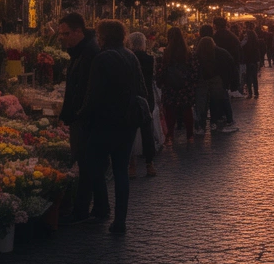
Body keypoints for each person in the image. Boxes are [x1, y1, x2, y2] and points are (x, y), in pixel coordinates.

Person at [76, 20, 149, 235]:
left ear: (104, 36)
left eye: (99, 35)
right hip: (127, 123)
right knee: (120, 171)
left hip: (106, 122)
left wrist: (82, 114)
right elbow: (141, 88)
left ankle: (102, 208)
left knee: (92, 164)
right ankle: (120, 220)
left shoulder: (102, 58)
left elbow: (94, 94)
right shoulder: (131, 56)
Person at [58, 13, 104, 224]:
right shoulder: (81, 51)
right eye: (61, 34)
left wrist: (79, 113)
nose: (63, 38)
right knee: (90, 164)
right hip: (82, 116)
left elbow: (87, 88)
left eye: (66, 33)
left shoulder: (88, 53)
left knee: (86, 163)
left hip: (85, 118)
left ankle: (82, 209)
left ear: (79, 31)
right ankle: (100, 207)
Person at [156, 27, 196, 141]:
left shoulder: (165, 53)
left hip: (170, 87)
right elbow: (194, 69)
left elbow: (161, 70)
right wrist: (191, 83)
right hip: (185, 87)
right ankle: (190, 135)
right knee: (187, 110)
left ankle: (170, 136)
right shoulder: (188, 53)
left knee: (170, 111)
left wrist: (160, 82)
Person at [127, 32, 158, 178]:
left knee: (130, 131)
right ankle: (149, 164)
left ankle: (131, 164)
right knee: (147, 131)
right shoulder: (149, 59)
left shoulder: (127, 57)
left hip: (131, 97)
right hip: (146, 97)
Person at [241, 21, 262, 98]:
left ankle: (250, 93)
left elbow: (243, 44)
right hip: (254, 58)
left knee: (248, 77)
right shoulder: (254, 34)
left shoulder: (248, 34)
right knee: (254, 77)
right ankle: (256, 93)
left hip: (248, 58)